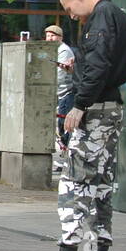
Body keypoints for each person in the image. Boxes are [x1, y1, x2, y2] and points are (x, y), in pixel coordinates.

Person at [28, 0, 126, 251]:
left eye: (69, 9)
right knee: (101, 184)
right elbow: (109, 67)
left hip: (95, 111)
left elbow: (100, 64)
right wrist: (80, 71)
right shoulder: (116, 15)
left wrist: (80, 104)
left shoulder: (100, 18)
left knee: (73, 183)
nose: (71, 16)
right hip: (111, 108)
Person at [45, 24, 76, 163]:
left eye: (53, 36)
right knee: (60, 126)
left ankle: (68, 158)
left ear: (60, 37)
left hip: (66, 93)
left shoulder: (64, 51)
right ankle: (65, 157)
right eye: (47, 36)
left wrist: (46, 88)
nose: (49, 38)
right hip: (58, 93)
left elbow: (59, 75)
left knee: (65, 125)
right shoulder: (50, 50)